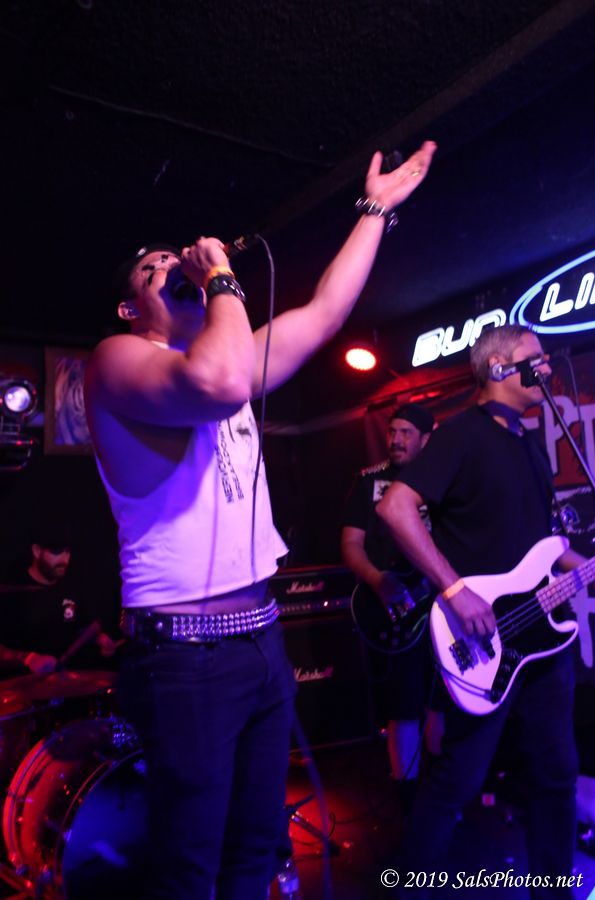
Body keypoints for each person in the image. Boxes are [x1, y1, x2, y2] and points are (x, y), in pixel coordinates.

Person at [83, 141, 437, 900]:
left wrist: (375, 211)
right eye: (152, 270)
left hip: (260, 639)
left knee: (257, 850)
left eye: (173, 259)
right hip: (185, 656)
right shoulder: (115, 359)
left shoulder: (231, 356)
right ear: (130, 307)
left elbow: (326, 312)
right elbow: (217, 380)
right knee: (189, 866)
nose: (170, 267)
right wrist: (217, 275)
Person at [377, 324, 587, 896]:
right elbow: (396, 508)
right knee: (458, 779)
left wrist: (587, 566)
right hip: (480, 640)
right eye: (535, 359)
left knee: (556, 772)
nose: (547, 368)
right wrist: (453, 590)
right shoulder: (460, 435)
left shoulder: (529, 442)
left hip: (541, 641)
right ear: (498, 368)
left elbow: (542, 546)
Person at [341, 404, 444, 807]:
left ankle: (441, 793)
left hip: (441, 607)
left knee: (443, 696)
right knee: (403, 701)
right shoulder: (369, 481)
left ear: (426, 439)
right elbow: (351, 544)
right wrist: (378, 581)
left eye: (406, 433)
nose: (396, 440)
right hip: (394, 609)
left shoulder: (442, 479)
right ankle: (407, 800)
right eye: (392, 432)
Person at [0, 524, 117, 677]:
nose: (64, 559)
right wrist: (27, 658)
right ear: (37, 551)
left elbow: (81, 627)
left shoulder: (72, 586)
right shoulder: (11, 590)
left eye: (67, 552)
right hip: (20, 685)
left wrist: (99, 639)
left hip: (65, 681)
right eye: (56, 552)